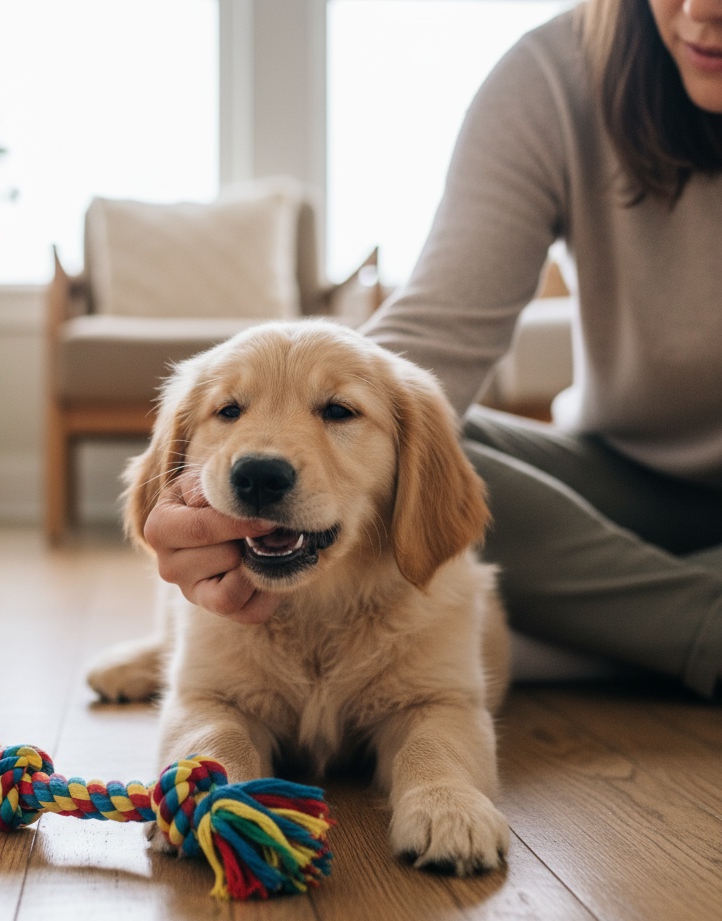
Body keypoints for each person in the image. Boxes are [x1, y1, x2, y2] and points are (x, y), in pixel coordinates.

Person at [142, 0, 722, 698]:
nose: (699, 9)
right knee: (416, 443)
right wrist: (202, 511)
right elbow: (425, 351)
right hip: (626, 480)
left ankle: (634, 632)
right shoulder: (556, 73)